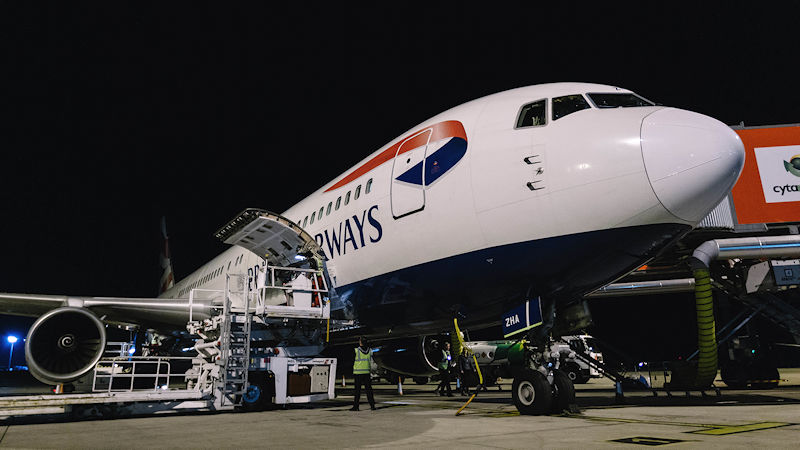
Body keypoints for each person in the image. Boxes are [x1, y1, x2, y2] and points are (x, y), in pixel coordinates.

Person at [351, 337, 376, 411]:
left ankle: (356, 406)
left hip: (358, 372)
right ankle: (372, 405)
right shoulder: (370, 350)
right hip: (367, 372)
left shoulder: (356, 350)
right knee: (369, 390)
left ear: (360, 342)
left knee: (357, 391)